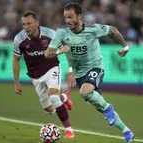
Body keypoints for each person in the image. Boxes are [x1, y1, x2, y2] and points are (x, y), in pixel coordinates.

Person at [45, 2, 135, 143]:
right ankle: (127, 131)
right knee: (99, 106)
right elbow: (47, 54)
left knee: (85, 92)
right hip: (80, 74)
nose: (68, 21)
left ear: (79, 16)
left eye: (70, 17)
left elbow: (112, 30)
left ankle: (108, 108)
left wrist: (125, 46)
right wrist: (58, 51)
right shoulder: (62, 32)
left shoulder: (92, 29)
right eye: (65, 17)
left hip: (95, 67)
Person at [12, 11, 74, 139]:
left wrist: (70, 70)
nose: (26, 27)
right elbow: (16, 59)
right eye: (23, 24)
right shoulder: (19, 39)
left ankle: (69, 130)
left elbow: (66, 49)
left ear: (36, 23)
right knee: (50, 110)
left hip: (51, 68)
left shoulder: (50, 34)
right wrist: (17, 82)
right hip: (35, 76)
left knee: (53, 97)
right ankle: (64, 97)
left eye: (28, 24)